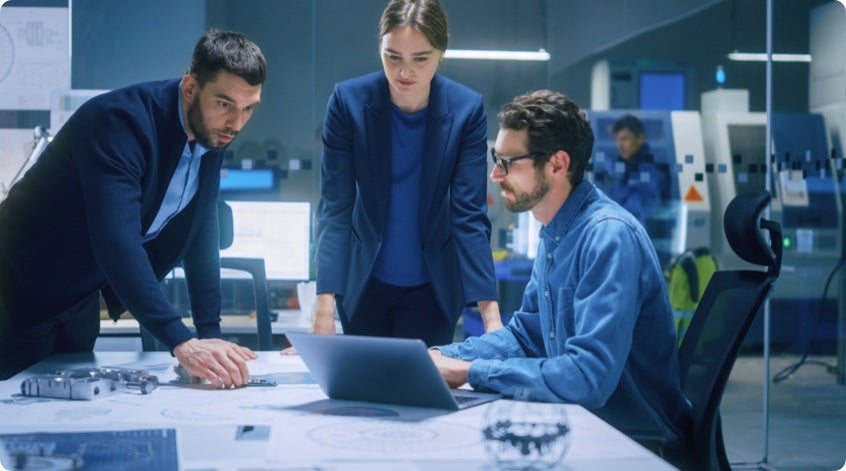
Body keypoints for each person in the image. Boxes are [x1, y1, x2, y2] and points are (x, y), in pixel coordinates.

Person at [429, 90, 691, 454]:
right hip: (584, 424)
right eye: (496, 159)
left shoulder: (608, 237)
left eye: (507, 162)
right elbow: (525, 335)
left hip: (631, 441)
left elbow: (589, 377)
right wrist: (443, 356)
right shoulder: (555, 234)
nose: (495, 174)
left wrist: (469, 372)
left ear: (557, 164)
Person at [0, 30, 266, 387]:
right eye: (225, 104)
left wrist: (208, 333)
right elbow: (118, 243)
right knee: (14, 420)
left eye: (249, 108)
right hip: (14, 284)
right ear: (190, 88)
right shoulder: (119, 123)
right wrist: (181, 341)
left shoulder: (211, 132)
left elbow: (200, 227)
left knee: (71, 420)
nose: (237, 122)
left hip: (77, 294)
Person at [311, 0, 501, 346]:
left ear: (441, 53)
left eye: (421, 58)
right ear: (380, 47)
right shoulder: (347, 102)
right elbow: (335, 209)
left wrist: (492, 318)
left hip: (433, 289)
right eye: (393, 56)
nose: (404, 72)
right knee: (360, 396)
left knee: (421, 396)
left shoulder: (466, 109)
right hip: (365, 284)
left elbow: (469, 215)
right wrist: (324, 309)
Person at [596, 113, 664, 225]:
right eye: (617, 140)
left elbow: (644, 208)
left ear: (640, 138)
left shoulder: (653, 169)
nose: (620, 145)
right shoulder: (613, 167)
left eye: (625, 139)